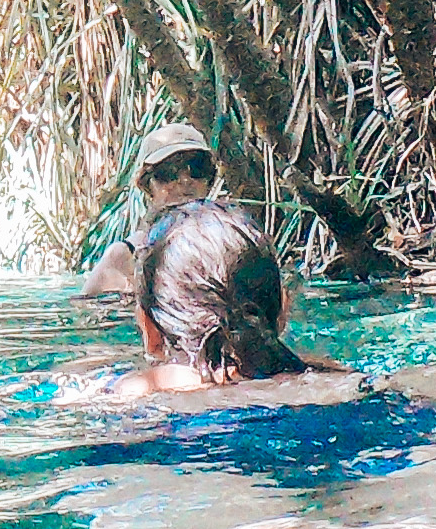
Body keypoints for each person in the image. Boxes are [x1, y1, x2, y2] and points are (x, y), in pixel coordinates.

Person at [113, 124, 312, 389]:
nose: (185, 181)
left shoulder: (139, 389)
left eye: (197, 168)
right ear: (282, 310)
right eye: (168, 173)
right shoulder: (327, 379)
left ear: (146, 324)